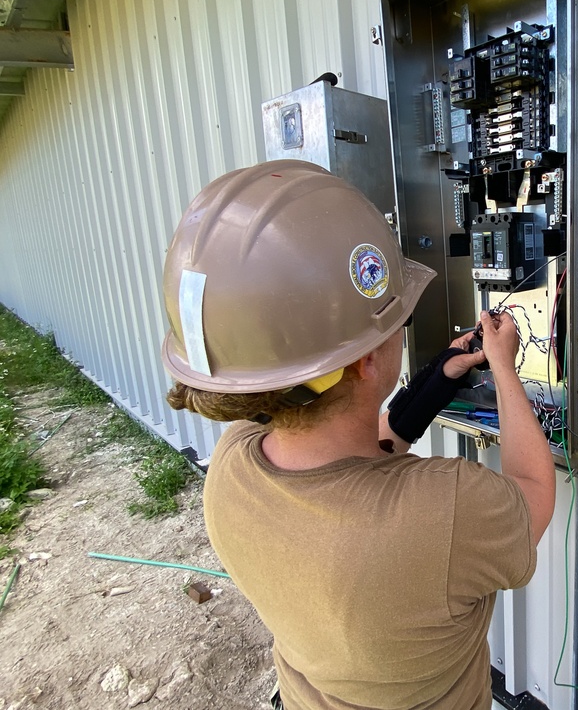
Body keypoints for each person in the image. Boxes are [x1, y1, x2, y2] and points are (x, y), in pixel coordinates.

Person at [159, 159, 556, 710]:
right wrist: (504, 366)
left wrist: (442, 373)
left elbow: (371, 446)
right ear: (368, 360)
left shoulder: (233, 463)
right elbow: (533, 488)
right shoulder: (446, 509)